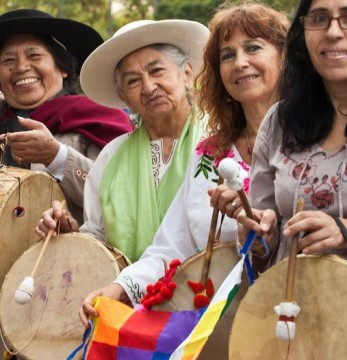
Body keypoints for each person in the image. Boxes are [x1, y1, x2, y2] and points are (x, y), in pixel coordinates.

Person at [75, 2, 290, 324]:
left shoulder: (321, 141)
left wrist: (275, 232)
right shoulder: (211, 153)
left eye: (253, 48)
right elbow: (172, 246)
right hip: (214, 326)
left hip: (299, 312)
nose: (240, 63)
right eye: (227, 55)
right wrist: (120, 288)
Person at [36, 19, 210, 266]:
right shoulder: (111, 156)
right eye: (133, 81)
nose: (149, 87)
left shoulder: (217, 140)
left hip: (208, 293)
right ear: (123, 96)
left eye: (157, 70)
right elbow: (96, 237)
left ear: (187, 73)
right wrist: (69, 233)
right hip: (124, 296)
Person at [234, 0, 347, 268]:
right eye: (318, 18)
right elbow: (265, 242)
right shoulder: (280, 121)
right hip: (288, 301)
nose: (333, 32)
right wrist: (260, 236)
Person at [0, 9, 132, 224]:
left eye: (34, 56)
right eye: (8, 60)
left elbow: (119, 197)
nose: (21, 67)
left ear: (63, 68)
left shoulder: (99, 118)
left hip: (69, 252)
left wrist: (56, 157)